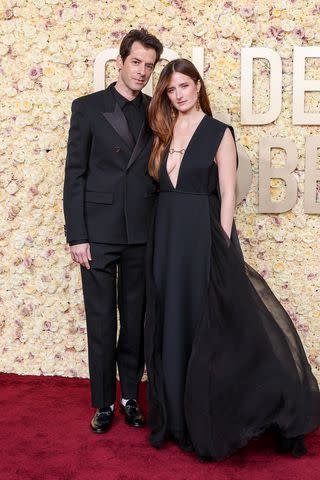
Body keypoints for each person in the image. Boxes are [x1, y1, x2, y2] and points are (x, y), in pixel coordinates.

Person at [144, 58, 320, 461]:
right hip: (166, 239)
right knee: (171, 322)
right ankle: (174, 418)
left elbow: (226, 195)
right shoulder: (165, 130)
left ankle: (215, 415)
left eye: (185, 86)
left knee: (209, 324)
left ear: (198, 85)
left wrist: (222, 247)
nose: (179, 95)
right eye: (171, 89)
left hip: (201, 239)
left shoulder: (219, 133)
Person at [63, 29, 163, 434]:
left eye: (149, 66)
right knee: (101, 320)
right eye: (136, 62)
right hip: (98, 235)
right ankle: (103, 402)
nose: (141, 72)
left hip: (141, 232)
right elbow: (76, 175)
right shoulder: (86, 109)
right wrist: (77, 235)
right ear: (120, 61)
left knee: (135, 319)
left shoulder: (157, 111)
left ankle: (128, 398)